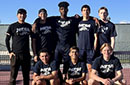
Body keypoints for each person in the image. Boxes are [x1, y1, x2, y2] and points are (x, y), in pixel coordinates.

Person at [5, 8, 32, 85]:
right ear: (17, 15)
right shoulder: (12, 26)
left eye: (23, 14)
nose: (22, 15)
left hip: (26, 55)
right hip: (15, 55)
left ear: (26, 16)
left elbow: (34, 39)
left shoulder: (29, 26)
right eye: (20, 14)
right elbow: (7, 40)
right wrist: (10, 52)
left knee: (26, 77)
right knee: (13, 77)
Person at [77, 5, 98, 75]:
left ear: (89, 11)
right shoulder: (78, 22)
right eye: (84, 10)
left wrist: (94, 48)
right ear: (81, 12)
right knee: (80, 69)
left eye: (87, 10)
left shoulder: (93, 22)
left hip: (90, 49)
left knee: (90, 68)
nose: (85, 12)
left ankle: (91, 82)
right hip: (80, 49)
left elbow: (96, 37)